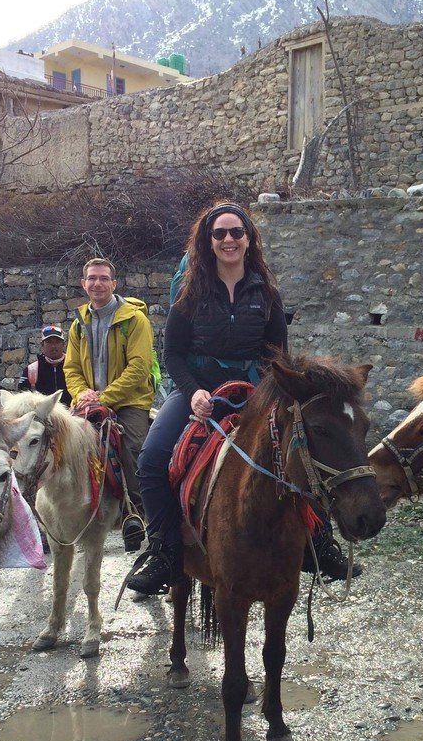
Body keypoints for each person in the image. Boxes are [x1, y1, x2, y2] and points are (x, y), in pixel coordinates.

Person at [126, 202, 357, 596]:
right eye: (220, 234)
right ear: (208, 240)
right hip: (199, 390)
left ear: (249, 239)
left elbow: (278, 354)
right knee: (150, 460)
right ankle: (164, 551)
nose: (229, 240)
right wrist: (194, 391)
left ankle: (319, 544)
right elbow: (174, 354)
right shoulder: (190, 291)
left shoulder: (266, 292)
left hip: (256, 390)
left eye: (236, 232)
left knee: (304, 443)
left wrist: (272, 392)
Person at [65, 257, 157, 552]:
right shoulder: (78, 324)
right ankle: (70, 513)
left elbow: (139, 367)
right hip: (90, 400)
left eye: (104, 278)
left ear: (114, 284)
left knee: (134, 447)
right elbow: (71, 368)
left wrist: (104, 397)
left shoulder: (135, 320)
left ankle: (137, 514)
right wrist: (81, 395)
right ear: (83, 284)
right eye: (92, 278)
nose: (97, 283)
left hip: (130, 401)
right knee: (61, 445)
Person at [18, 325, 72, 407]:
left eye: (57, 341)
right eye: (49, 342)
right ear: (42, 345)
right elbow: (22, 399)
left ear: (63, 344)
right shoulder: (31, 371)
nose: (53, 346)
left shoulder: (74, 367)